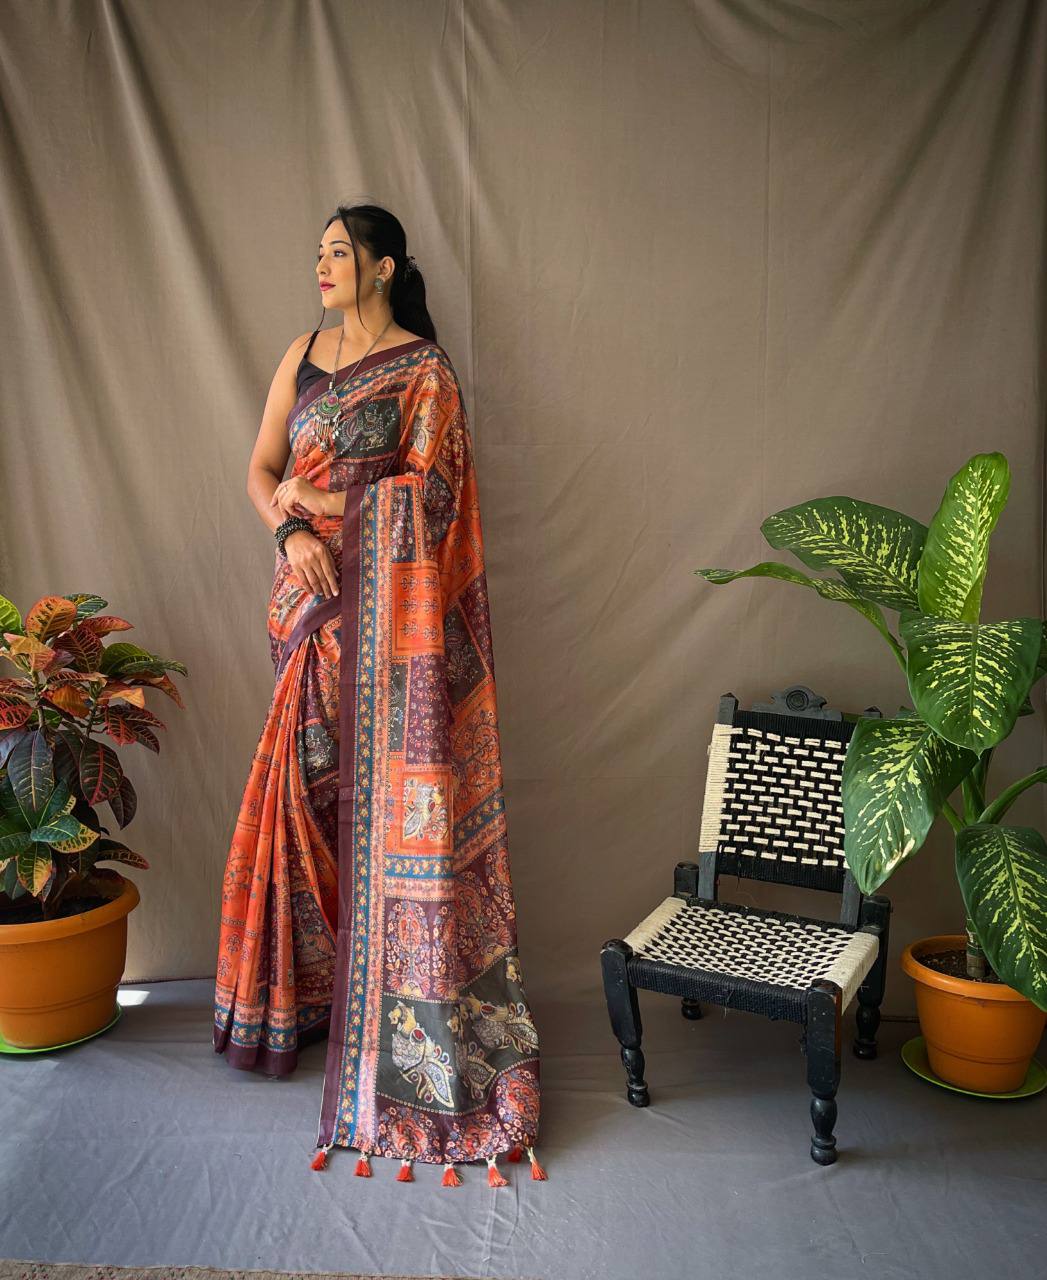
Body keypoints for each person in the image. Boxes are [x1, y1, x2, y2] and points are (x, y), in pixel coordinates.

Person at [213, 203, 544, 1186]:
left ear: (385, 266)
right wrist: (290, 532)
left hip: (388, 622)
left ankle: (386, 1004)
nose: (321, 264)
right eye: (315, 249)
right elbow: (259, 467)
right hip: (305, 607)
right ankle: (303, 1001)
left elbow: (430, 500)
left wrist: (325, 505)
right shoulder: (302, 354)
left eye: (340, 251)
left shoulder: (425, 372)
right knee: (305, 800)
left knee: (377, 809)